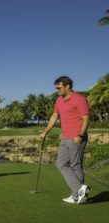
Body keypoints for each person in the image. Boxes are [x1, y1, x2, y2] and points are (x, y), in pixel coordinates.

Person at [40, 76, 90, 204]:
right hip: (65, 137)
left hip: (76, 138)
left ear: (67, 86)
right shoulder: (59, 100)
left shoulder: (79, 99)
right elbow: (54, 116)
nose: (57, 90)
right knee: (61, 164)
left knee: (75, 165)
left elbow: (85, 118)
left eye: (59, 87)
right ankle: (79, 190)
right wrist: (45, 131)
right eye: (56, 88)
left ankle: (77, 193)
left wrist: (80, 135)